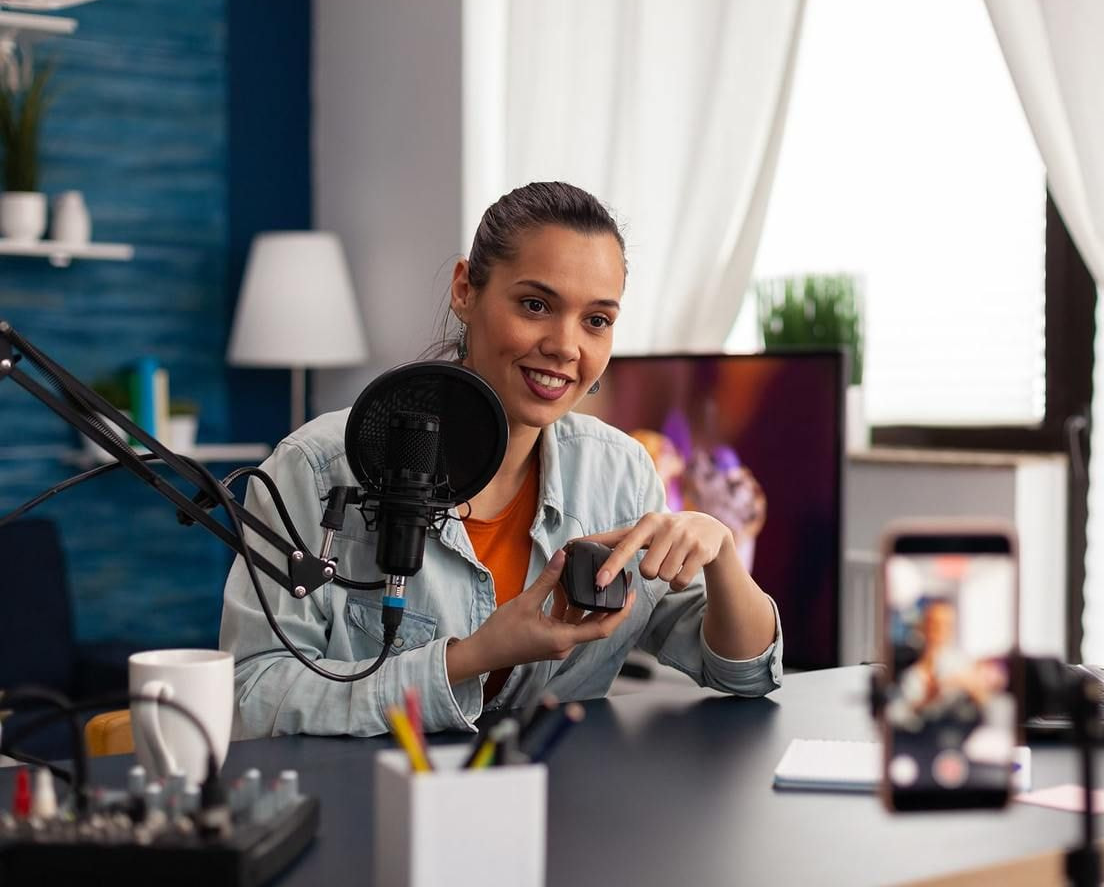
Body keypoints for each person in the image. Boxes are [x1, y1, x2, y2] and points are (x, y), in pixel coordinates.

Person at [219, 181, 783, 738]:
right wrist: (468, 658)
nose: (566, 346)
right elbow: (253, 695)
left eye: (597, 320)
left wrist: (722, 549)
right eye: (535, 305)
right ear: (465, 289)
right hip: (381, 812)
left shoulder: (622, 474)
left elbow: (744, 672)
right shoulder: (317, 469)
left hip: (560, 816)